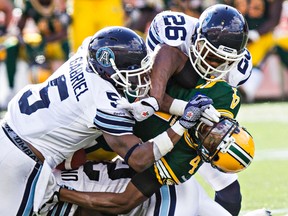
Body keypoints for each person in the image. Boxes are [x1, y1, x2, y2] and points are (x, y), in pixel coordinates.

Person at [0, 26, 216, 215]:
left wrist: (183, 108)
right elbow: (139, 159)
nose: (141, 79)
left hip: (7, 130)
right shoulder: (103, 102)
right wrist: (182, 125)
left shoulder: (85, 53)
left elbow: (134, 100)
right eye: (133, 73)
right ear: (107, 68)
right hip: (21, 163)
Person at [115, 4, 252, 215]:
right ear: (195, 40)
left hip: (194, 129)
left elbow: (217, 106)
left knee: (231, 193)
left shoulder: (237, 71)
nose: (215, 65)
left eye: (224, 61)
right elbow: (150, 95)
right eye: (212, 56)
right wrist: (184, 109)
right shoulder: (170, 33)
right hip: (146, 115)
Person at [36, 115, 255, 215]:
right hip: (170, 188)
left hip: (157, 192)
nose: (212, 132)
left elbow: (121, 203)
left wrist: (58, 193)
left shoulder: (181, 163)